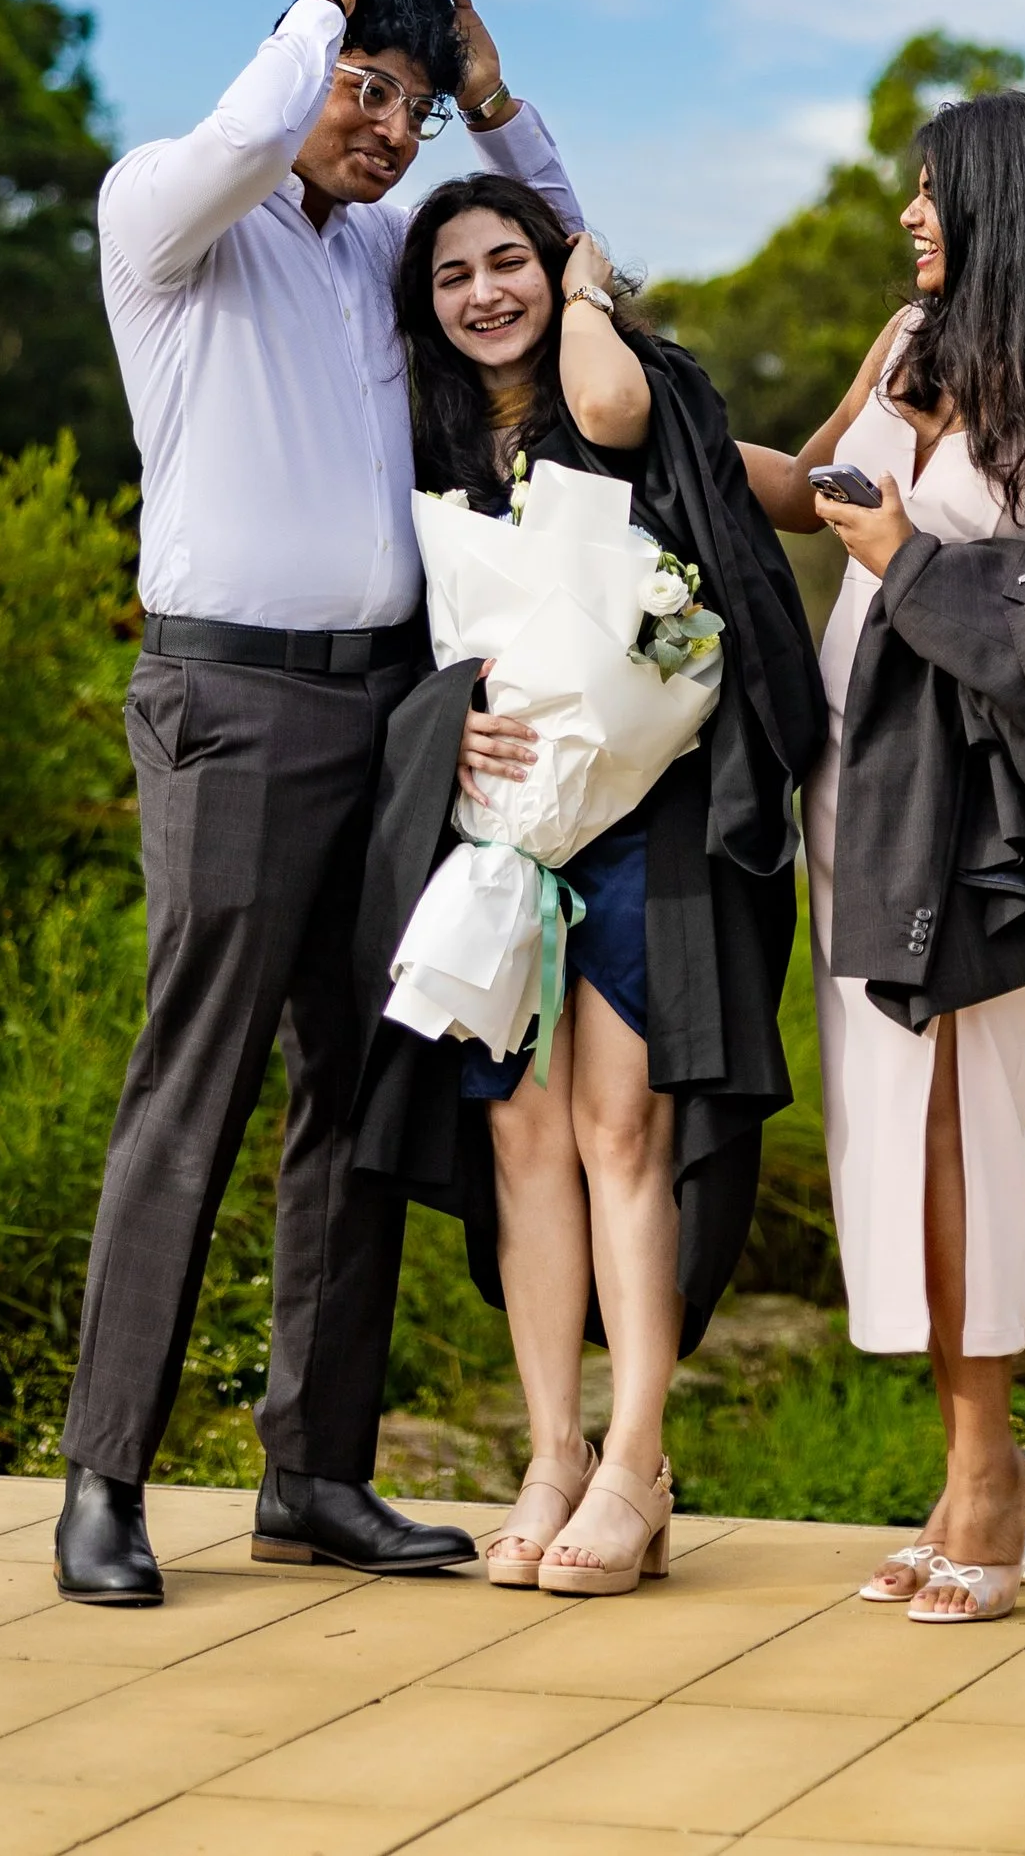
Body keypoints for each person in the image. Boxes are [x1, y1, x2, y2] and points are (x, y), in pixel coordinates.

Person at [55, 0, 580, 1606]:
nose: (386, 126)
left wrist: (484, 89)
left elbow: (560, 261)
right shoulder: (173, 223)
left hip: (384, 715)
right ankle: (104, 1480)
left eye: (410, 108)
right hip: (229, 704)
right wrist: (324, 3)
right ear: (296, 66)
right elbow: (236, 139)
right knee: (190, 1081)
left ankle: (315, 1473)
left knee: (358, 1094)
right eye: (370, 91)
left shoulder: (371, 262)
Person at [744, 89, 1025, 1626]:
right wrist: (630, 396)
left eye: (934, 190)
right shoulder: (904, 348)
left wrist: (914, 562)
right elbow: (811, 494)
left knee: (964, 1128)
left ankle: (993, 1471)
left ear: (1009, 199)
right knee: (897, 1132)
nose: (910, 214)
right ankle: (963, 1471)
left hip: (998, 822)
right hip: (862, 799)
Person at [350, 175, 823, 1599]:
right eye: (452, 274)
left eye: (514, 262)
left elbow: (632, 419)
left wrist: (598, 287)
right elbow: (391, 653)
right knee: (521, 1139)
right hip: (501, 830)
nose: (484, 291)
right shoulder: (418, 442)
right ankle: (549, 1454)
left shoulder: (627, 398)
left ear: (560, 275)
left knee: (627, 1127)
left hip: (652, 824)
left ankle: (635, 1462)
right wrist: (448, 723)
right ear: (422, 306)